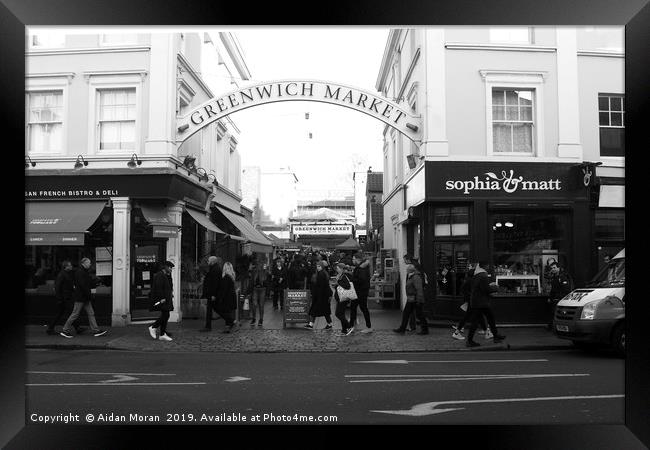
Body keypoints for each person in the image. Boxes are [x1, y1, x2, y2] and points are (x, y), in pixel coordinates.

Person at [60, 258, 107, 338]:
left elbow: (87, 283)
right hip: (81, 297)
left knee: (91, 313)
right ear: (84, 263)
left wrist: (95, 282)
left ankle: (96, 330)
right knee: (75, 314)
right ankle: (65, 330)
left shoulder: (83, 271)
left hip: (84, 297)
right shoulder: (80, 272)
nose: (90, 264)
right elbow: (83, 285)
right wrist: (89, 294)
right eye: (89, 263)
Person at [465, 261, 506, 347]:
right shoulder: (483, 275)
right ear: (485, 266)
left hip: (477, 301)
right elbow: (486, 289)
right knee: (479, 321)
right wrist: (496, 287)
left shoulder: (477, 275)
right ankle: (469, 341)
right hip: (481, 302)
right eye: (487, 266)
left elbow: (479, 288)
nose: (488, 267)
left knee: (488, 318)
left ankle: (495, 336)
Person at [451, 266, 490, 340]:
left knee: (478, 316)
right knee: (472, 316)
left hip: (471, 301)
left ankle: (486, 331)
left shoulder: (469, 280)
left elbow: (464, 290)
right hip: (472, 301)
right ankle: (457, 332)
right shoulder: (471, 281)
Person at [46, 261, 84, 335]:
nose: (71, 266)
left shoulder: (67, 274)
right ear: (65, 267)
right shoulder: (62, 275)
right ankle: (76, 328)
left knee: (63, 313)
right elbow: (57, 287)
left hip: (66, 297)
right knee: (71, 313)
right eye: (69, 265)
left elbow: (68, 285)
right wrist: (59, 299)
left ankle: (50, 328)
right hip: (64, 298)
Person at [394, 263, 429, 335]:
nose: (406, 270)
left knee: (419, 315)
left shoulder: (416, 277)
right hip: (411, 299)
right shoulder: (412, 276)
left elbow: (419, 289)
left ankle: (425, 330)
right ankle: (402, 328)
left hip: (415, 299)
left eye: (407, 269)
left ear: (410, 270)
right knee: (406, 313)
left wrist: (419, 300)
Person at [148, 261, 175, 341]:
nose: (171, 269)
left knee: (165, 315)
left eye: (171, 268)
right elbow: (158, 288)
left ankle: (162, 334)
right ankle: (153, 327)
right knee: (166, 315)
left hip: (167, 298)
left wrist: (170, 294)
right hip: (163, 299)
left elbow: (169, 286)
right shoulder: (160, 275)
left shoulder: (166, 275)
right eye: (170, 267)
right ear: (165, 267)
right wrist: (162, 298)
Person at [304, 261, 334, 330]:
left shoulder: (321, 274)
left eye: (319, 266)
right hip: (324, 296)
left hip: (320, 296)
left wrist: (316, 295)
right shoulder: (324, 273)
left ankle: (311, 324)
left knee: (314, 310)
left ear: (322, 267)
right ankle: (329, 324)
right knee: (325, 311)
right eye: (317, 266)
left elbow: (321, 286)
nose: (318, 268)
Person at [546, 261, 573, 329]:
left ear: (559, 268)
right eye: (552, 268)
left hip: (560, 299)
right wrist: (550, 297)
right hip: (556, 299)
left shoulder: (563, 277)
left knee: (558, 313)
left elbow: (566, 289)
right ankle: (552, 326)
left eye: (554, 268)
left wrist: (560, 298)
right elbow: (553, 289)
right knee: (554, 313)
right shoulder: (555, 277)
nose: (553, 269)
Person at [350, 253, 372, 333]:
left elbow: (361, 280)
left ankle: (368, 327)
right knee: (354, 308)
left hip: (360, 292)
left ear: (357, 259)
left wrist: (352, 279)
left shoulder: (361, 268)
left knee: (363, 308)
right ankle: (351, 325)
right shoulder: (362, 267)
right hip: (360, 291)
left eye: (353, 259)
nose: (352, 260)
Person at [200, 256, 223, 332]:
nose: (208, 262)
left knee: (215, 309)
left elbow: (215, 283)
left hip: (212, 294)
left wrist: (213, 294)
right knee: (213, 309)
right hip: (211, 293)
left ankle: (229, 319)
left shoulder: (215, 269)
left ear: (212, 261)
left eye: (209, 261)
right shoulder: (214, 268)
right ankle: (208, 326)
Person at [333, 263, 354, 336]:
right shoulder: (340, 276)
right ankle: (344, 330)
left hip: (343, 298)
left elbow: (347, 286)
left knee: (338, 314)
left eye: (338, 268)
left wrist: (338, 283)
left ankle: (349, 326)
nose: (336, 269)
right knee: (341, 314)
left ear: (341, 269)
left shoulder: (344, 276)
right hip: (340, 297)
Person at [218, 262, 238, 333]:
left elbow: (224, 289)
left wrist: (220, 298)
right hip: (232, 297)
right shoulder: (232, 276)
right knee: (228, 312)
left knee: (224, 312)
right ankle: (228, 327)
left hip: (227, 297)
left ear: (224, 268)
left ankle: (232, 322)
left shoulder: (226, 277)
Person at [249, 260, 268, 326]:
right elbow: (251, 281)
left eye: (260, 264)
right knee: (254, 304)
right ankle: (254, 319)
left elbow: (266, 280)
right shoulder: (254, 272)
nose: (259, 266)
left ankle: (261, 319)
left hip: (262, 289)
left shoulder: (265, 272)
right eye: (258, 264)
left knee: (261, 305)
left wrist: (265, 271)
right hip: (255, 289)